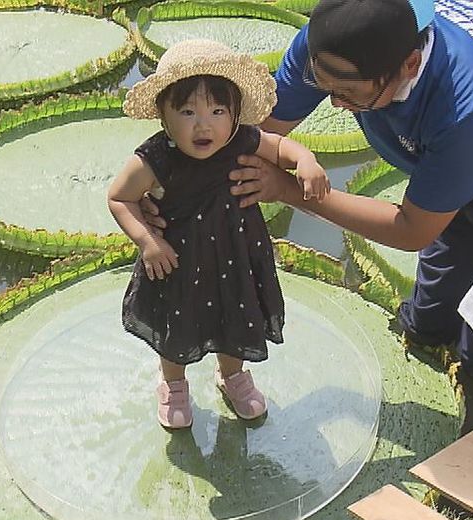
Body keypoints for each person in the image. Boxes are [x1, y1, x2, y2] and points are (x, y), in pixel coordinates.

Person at [146, 0, 473, 434]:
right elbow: (248, 138)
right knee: (430, 316)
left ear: (409, 65)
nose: (333, 104)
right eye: (324, 86)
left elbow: (412, 229)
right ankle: (429, 332)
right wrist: (172, 188)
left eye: (348, 95)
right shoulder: (333, 43)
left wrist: (289, 190)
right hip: (451, 169)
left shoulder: (468, 101)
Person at [108, 39, 330, 430]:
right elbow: (120, 198)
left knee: (237, 316)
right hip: (177, 262)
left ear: (235, 115)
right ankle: (173, 385)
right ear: (164, 116)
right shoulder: (156, 159)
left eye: (217, 110)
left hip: (237, 256)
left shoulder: (242, 140)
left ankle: (232, 376)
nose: (203, 124)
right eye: (188, 111)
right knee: (175, 327)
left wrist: (305, 160)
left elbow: (279, 146)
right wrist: (148, 241)